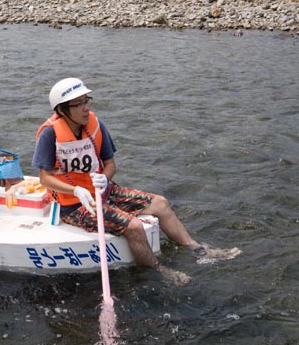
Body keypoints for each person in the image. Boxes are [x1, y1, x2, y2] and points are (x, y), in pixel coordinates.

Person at [33, 77, 239, 284]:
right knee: (134, 227)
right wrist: (76, 190)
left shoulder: (95, 125)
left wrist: (104, 179)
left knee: (160, 203)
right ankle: (160, 271)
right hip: (74, 205)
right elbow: (45, 178)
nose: (86, 108)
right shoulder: (49, 134)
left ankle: (197, 249)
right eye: (78, 104)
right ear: (62, 110)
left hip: (102, 190)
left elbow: (111, 164)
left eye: (87, 101)